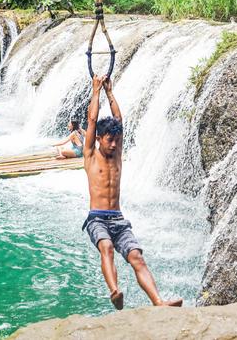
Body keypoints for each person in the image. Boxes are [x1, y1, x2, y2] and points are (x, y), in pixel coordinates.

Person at [81, 74, 183, 310]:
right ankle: (115, 291)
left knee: (136, 256)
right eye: (109, 140)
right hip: (97, 218)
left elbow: (119, 118)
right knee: (105, 247)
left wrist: (110, 92)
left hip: (118, 218)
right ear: (98, 139)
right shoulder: (89, 155)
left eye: (117, 140)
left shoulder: (116, 155)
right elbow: (93, 118)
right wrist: (96, 91)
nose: (115, 144)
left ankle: (159, 302)